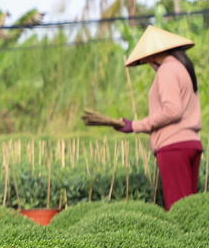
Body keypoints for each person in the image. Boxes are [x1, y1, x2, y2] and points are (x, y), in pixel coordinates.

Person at [85, 26, 202, 209]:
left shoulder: (167, 70)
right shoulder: (182, 68)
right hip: (191, 143)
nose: (148, 63)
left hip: (173, 147)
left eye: (147, 59)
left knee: (179, 210)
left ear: (153, 56)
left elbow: (173, 111)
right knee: (189, 210)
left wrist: (135, 125)